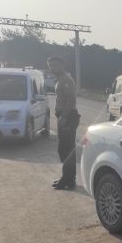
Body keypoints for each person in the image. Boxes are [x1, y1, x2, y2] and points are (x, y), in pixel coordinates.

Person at [48, 56, 79, 190]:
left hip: (68, 117)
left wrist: (64, 117)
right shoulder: (61, 79)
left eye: (55, 65)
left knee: (66, 149)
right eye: (50, 65)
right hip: (64, 116)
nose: (52, 68)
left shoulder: (66, 79)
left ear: (62, 65)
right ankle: (68, 178)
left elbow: (71, 99)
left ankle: (68, 179)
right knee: (65, 149)